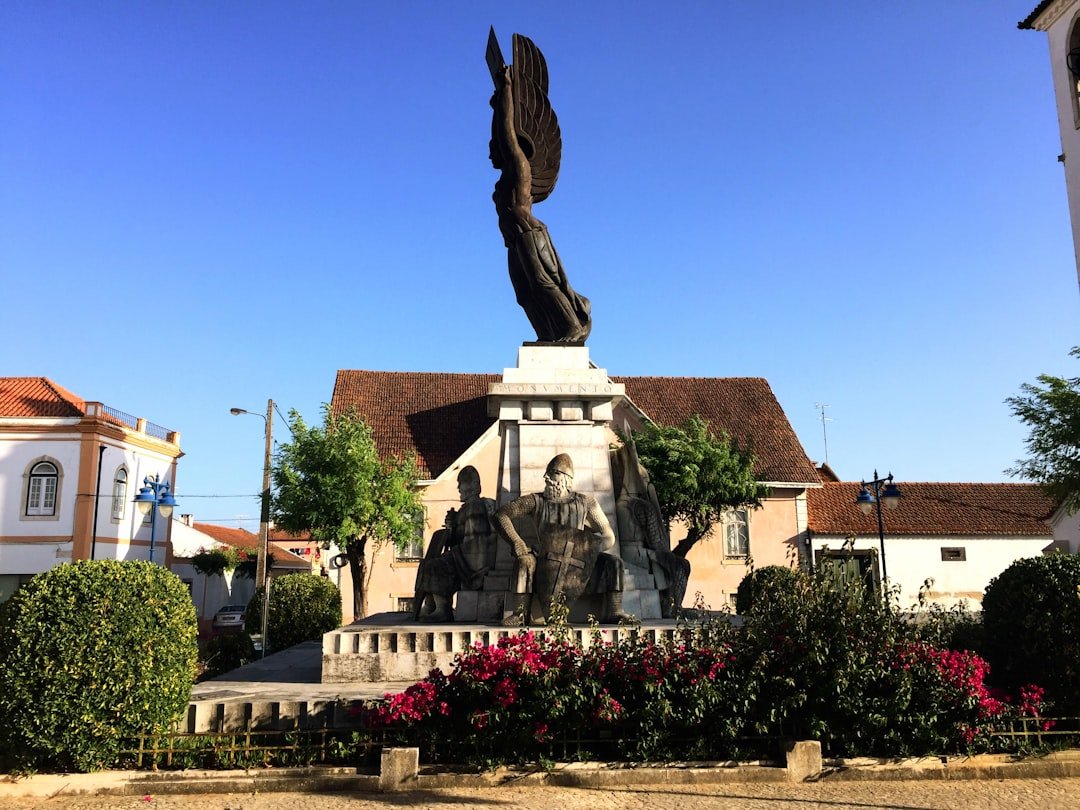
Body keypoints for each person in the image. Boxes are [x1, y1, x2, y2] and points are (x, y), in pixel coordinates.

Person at [490, 59, 591, 343]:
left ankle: (572, 326)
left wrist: (506, 92)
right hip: (513, 241)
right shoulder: (504, 177)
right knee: (524, 294)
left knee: (543, 283)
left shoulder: (519, 167)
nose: (490, 155)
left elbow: (506, 134)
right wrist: (495, 105)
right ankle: (548, 334)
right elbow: (498, 133)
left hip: (529, 236)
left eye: (492, 149)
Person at [493, 453, 631, 625]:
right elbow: (501, 515)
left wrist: (587, 550)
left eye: (552, 473)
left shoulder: (586, 502)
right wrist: (516, 541)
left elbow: (608, 535)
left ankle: (615, 610)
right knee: (524, 562)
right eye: (547, 473)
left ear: (566, 478)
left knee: (614, 563)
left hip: (578, 563)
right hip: (544, 558)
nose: (546, 477)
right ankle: (520, 614)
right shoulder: (535, 501)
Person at [412, 466, 498, 622]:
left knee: (434, 566)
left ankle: (442, 609)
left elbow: (476, 543)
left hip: (473, 564)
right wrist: (453, 525)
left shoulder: (474, 507)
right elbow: (462, 537)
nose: (458, 488)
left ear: (472, 484)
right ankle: (431, 605)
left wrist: (454, 548)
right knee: (430, 563)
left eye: (461, 483)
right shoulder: (468, 507)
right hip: (465, 556)